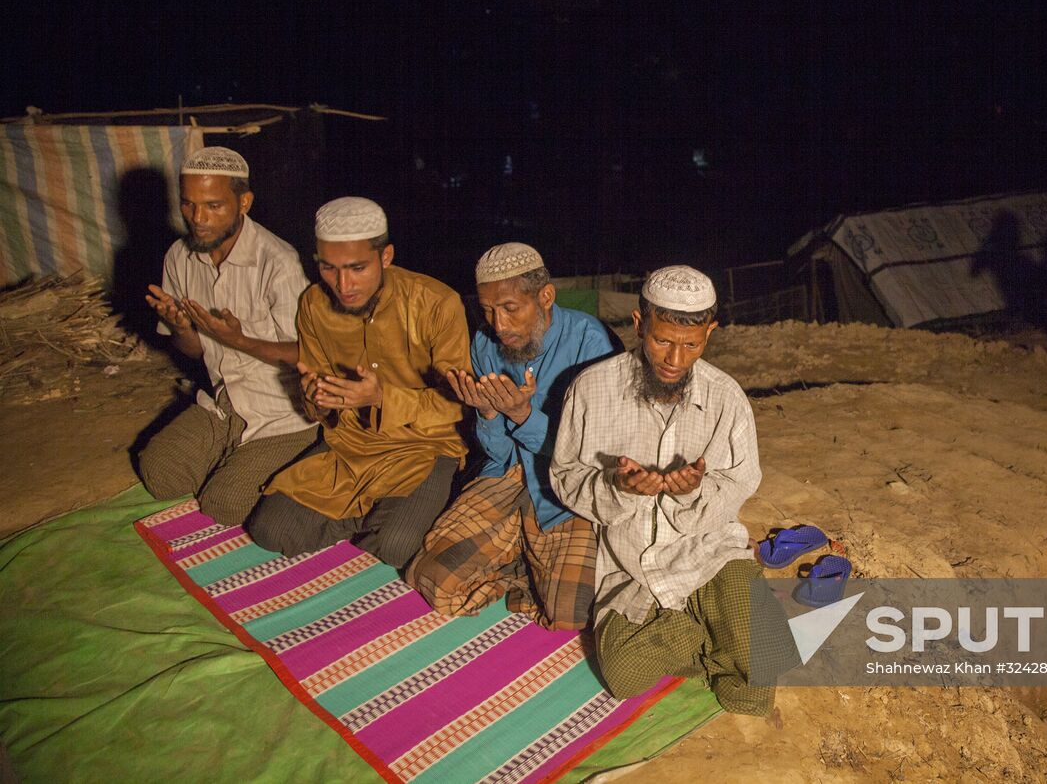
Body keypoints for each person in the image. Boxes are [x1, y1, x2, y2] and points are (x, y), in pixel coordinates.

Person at [550, 266, 797, 714]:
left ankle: (728, 621)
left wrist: (690, 495)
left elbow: (741, 481)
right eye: (662, 340)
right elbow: (565, 476)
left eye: (691, 345)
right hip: (629, 569)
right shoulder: (591, 390)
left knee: (758, 680)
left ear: (710, 332)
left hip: (706, 553)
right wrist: (620, 488)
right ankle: (724, 629)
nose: (675, 360)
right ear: (639, 323)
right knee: (626, 677)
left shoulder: (727, 398)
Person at [245, 198, 468, 568]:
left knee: (396, 546)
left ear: (386, 256)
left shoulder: (437, 303)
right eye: (329, 269)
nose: (343, 285)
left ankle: (387, 519)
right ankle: (377, 517)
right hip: (351, 449)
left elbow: (456, 406)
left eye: (357, 268)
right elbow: (315, 401)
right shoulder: (314, 304)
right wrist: (320, 400)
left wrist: (382, 397)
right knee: (270, 529)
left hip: (424, 448)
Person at [407, 243, 618, 630]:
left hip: (566, 490)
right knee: (433, 582)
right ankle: (525, 564)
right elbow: (495, 452)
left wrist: (524, 416)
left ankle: (526, 568)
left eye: (509, 308)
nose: (499, 324)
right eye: (487, 310)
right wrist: (488, 413)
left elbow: (596, 454)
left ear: (545, 297)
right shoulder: (485, 345)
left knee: (574, 613)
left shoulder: (591, 343)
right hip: (508, 479)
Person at [139, 146, 317, 524]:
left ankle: (308, 453)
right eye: (188, 205)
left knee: (224, 504)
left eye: (214, 206)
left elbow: (309, 352)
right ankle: (236, 457)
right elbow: (190, 351)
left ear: (244, 202)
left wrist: (241, 341)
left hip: (284, 414)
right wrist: (181, 328)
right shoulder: (179, 256)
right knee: (160, 473)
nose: (198, 218)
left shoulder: (277, 262)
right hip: (225, 403)